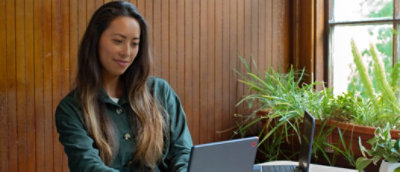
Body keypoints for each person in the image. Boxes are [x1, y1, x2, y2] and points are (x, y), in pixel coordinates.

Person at [55, 1, 192, 171]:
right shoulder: (71, 109)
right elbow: (88, 166)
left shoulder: (160, 91)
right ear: (95, 41)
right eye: (118, 41)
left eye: (134, 43)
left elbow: (184, 153)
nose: (127, 52)